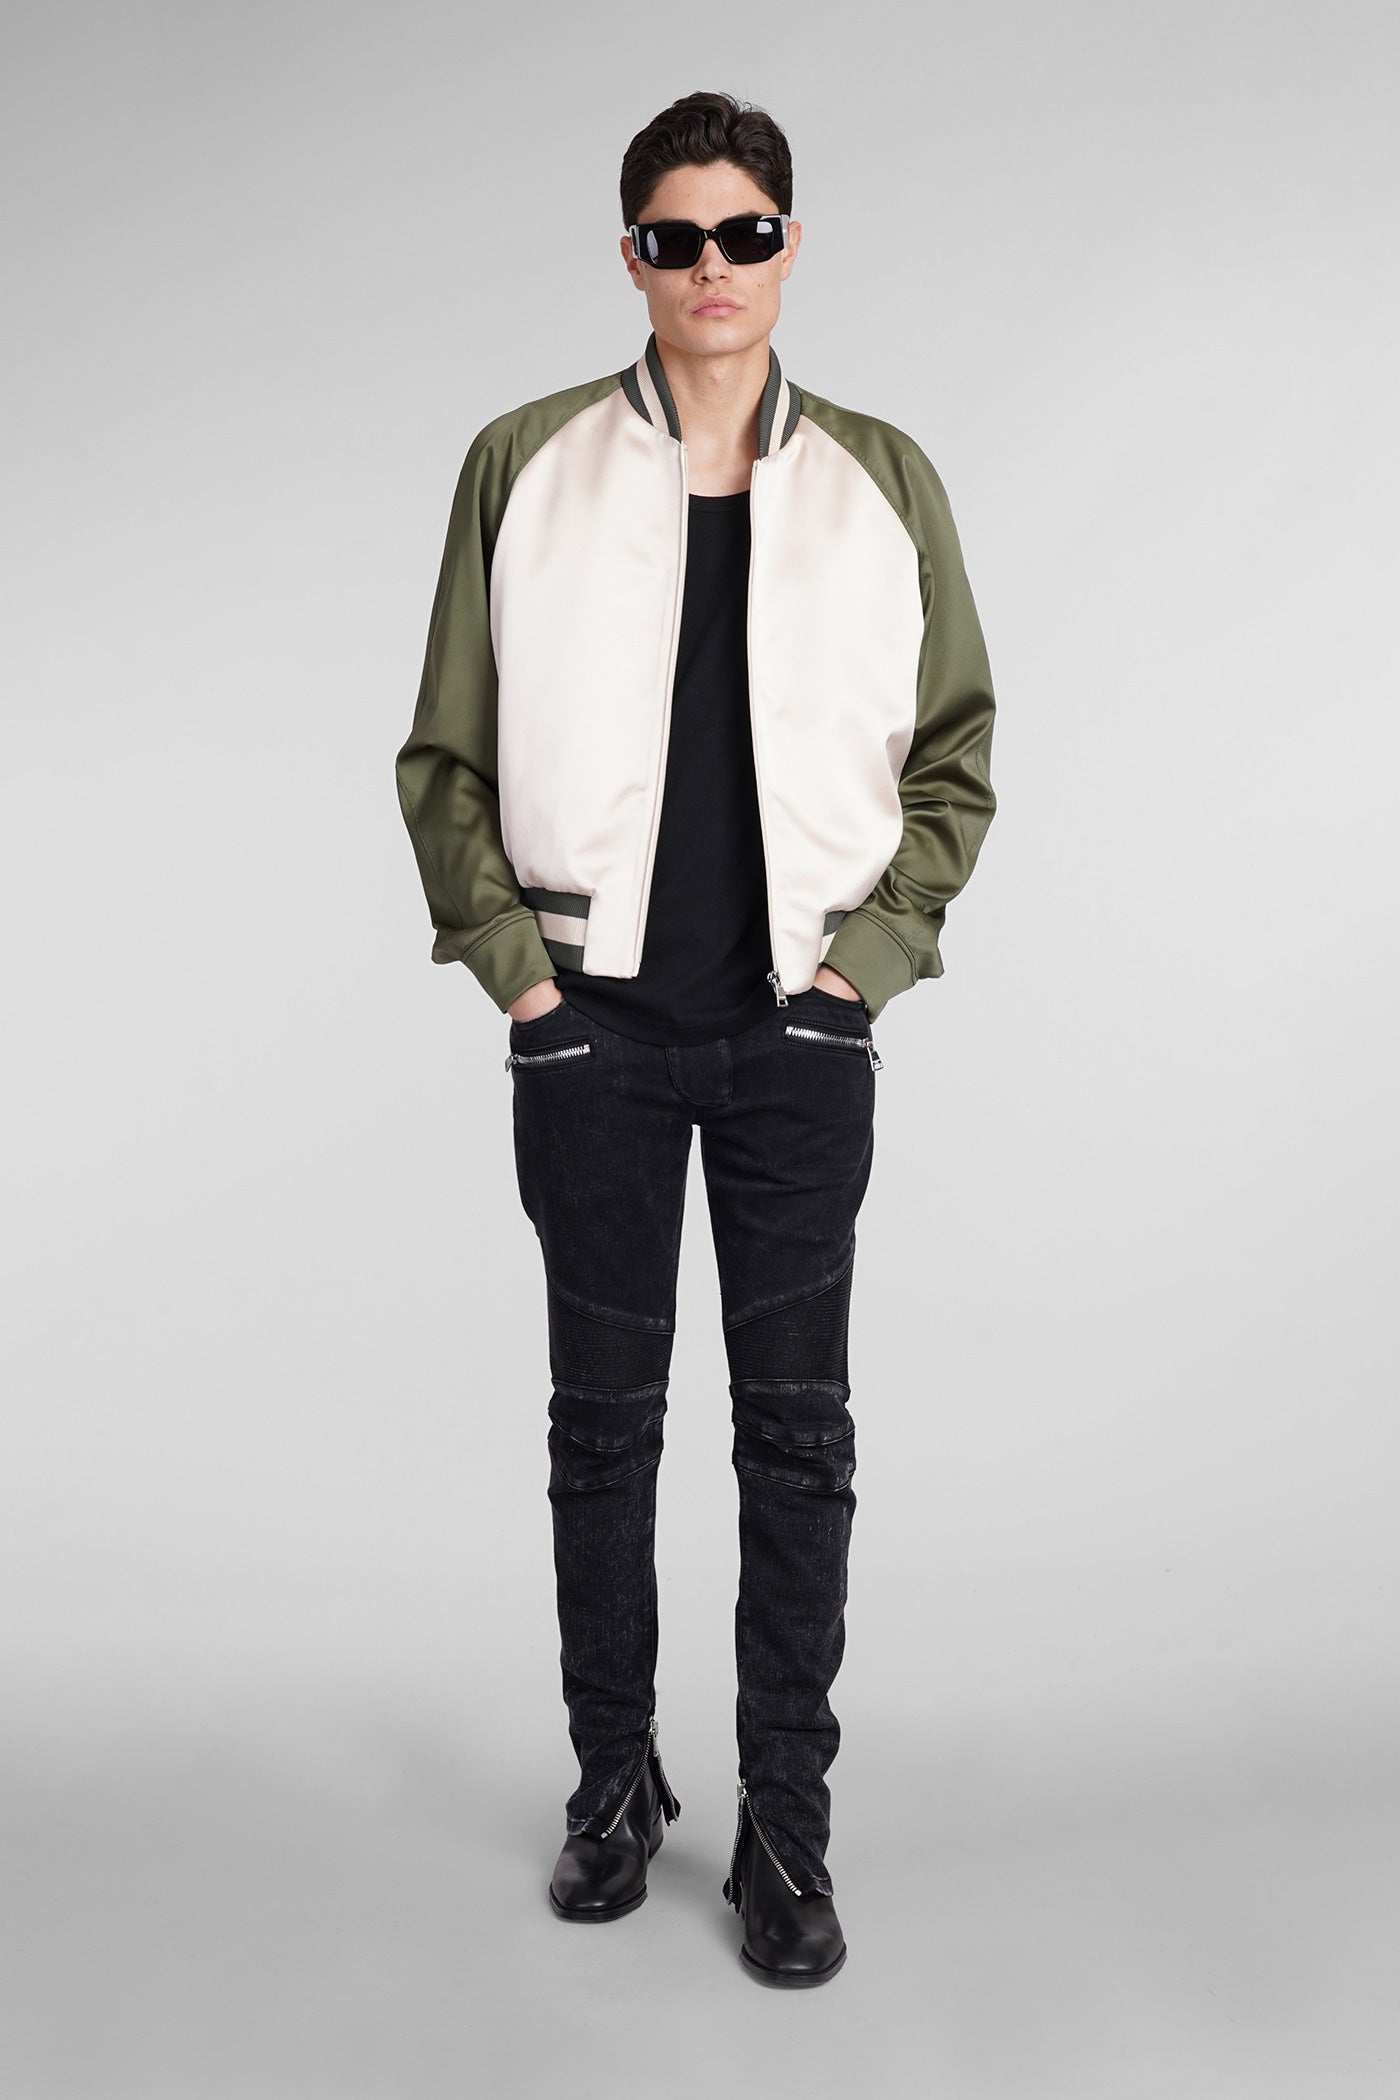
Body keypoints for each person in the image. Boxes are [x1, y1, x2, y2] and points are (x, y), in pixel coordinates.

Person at [394, 88, 997, 1988]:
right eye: (676, 237)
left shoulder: (884, 480)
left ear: (789, 247)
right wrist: (522, 981)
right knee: (601, 1439)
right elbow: (445, 754)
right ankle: (614, 1789)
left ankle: (787, 1839)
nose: (712, 267)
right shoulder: (526, 463)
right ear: (632, 256)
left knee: (799, 1446)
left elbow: (957, 755)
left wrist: (866, 972)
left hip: (797, 1038)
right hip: (596, 1032)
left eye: (745, 233)